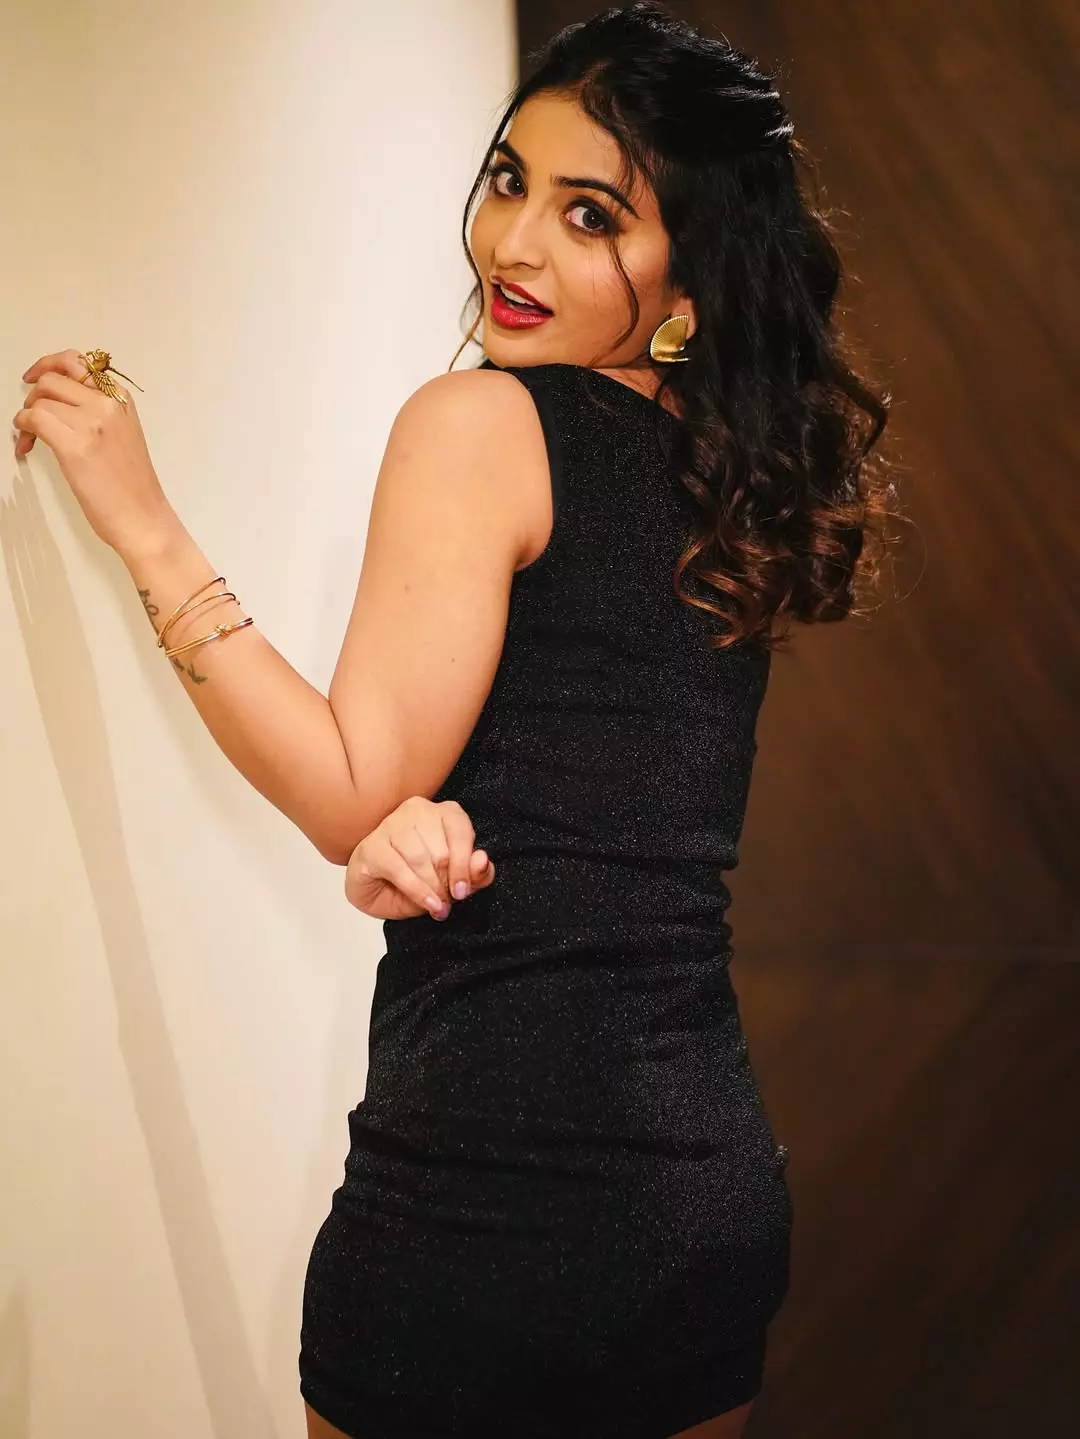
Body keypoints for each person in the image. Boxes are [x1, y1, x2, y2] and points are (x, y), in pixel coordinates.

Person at [12, 5, 892, 1436]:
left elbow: (353, 790)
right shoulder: (722, 477)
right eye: (507, 180)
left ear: (689, 273)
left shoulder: (481, 424)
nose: (515, 246)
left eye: (591, 214)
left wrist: (147, 528)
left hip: (489, 1192)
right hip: (701, 1194)